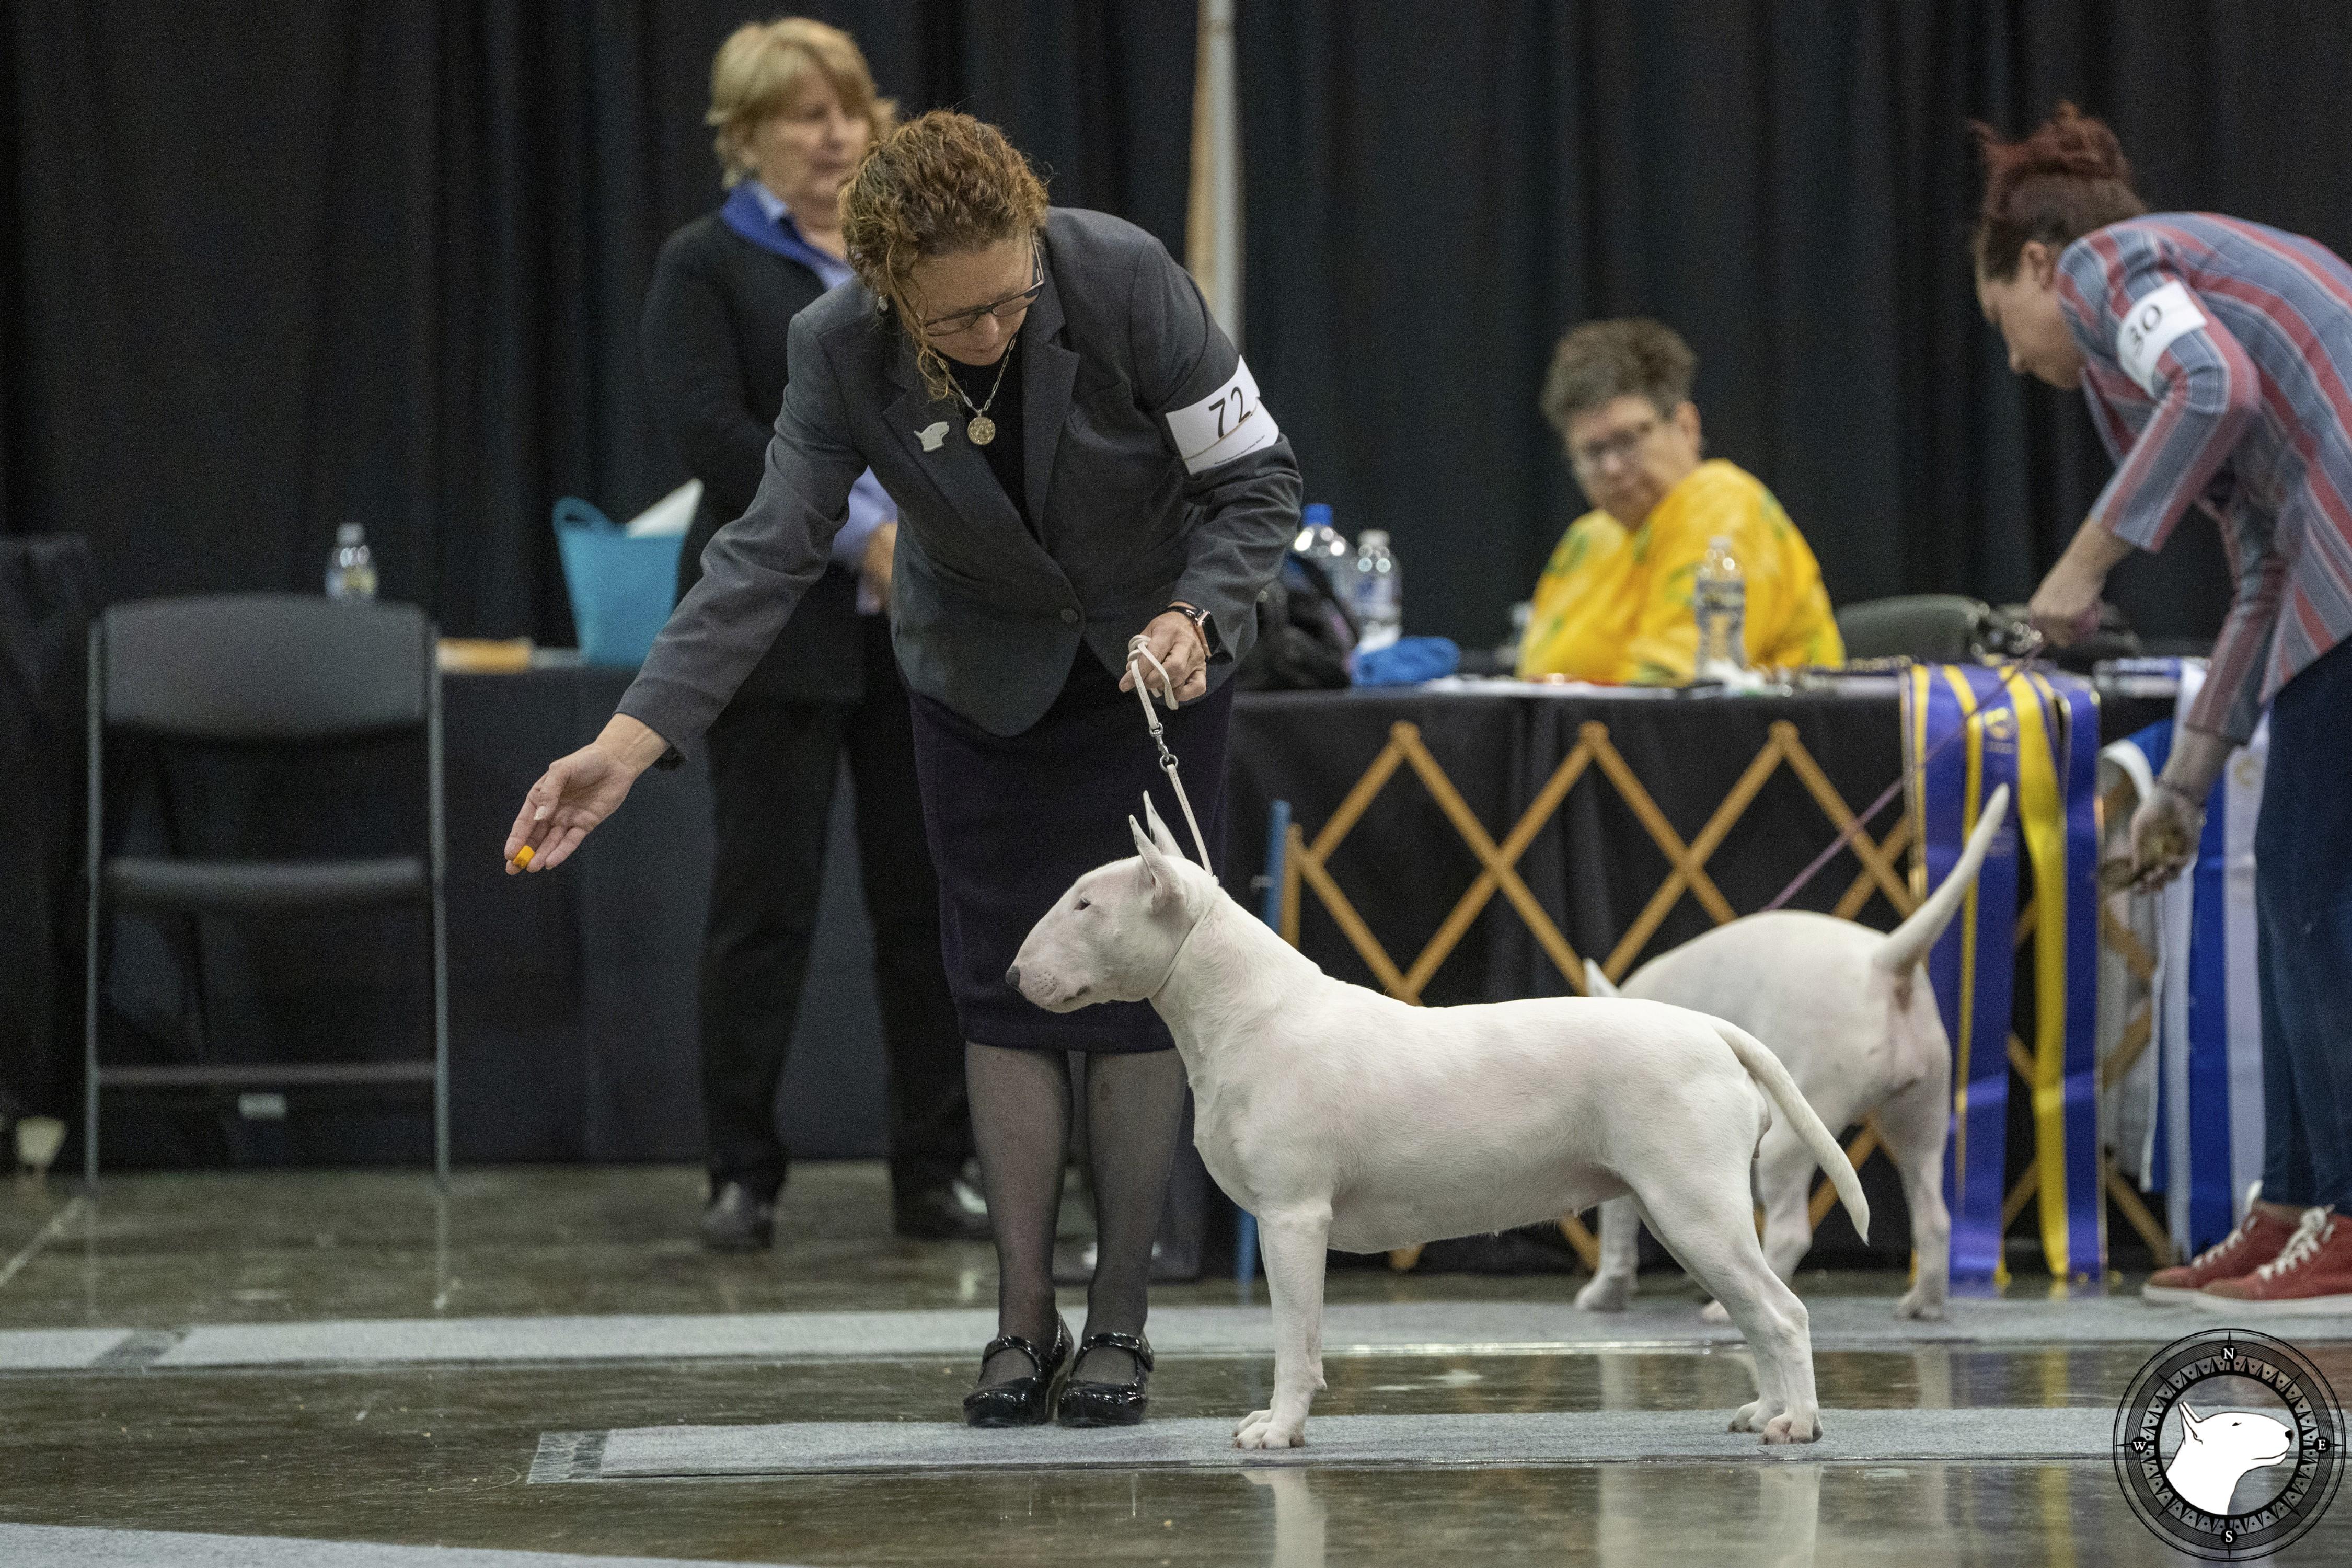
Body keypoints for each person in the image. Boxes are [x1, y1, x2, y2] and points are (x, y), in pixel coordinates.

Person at [507, 111, 1300, 1422]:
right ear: (883, 290)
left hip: (1149, 667)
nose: (992, 333)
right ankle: (1019, 1315)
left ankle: (1121, 1318)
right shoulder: (832, 349)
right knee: (997, 985)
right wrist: (625, 739)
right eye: (958, 323)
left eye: (1008, 303)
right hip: (974, 681)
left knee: (1134, 993)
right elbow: (763, 553)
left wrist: (1196, 613)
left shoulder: (1121, 276)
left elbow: (1256, 482)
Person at [1979, 103, 2352, 1310]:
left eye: (2000, 322)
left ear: (2035, 266)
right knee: (2287, 890)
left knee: (2307, 891)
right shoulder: (2138, 342)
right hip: (2321, 570)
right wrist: (2184, 785)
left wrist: (2077, 570)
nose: (2010, 357)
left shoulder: (2109, 264)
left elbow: (2210, 382)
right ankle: (2292, 1204)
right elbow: (2257, 567)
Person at [643, 19, 981, 1252]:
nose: (833, 133)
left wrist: (935, 549)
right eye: (801, 114)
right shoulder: (705, 264)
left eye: (847, 106)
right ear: (745, 138)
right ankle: (742, 1171)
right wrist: (863, 540)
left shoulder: (918, 257)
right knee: (762, 908)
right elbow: (716, 438)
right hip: (776, 637)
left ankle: (933, 1170)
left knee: (923, 905)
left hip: (926, 636)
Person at [1514, 318, 1843, 683]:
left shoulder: (1721, 505)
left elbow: (1672, 684)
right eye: (1592, 452)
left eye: (1627, 440)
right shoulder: (1586, 540)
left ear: (1686, 426)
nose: (1611, 467)